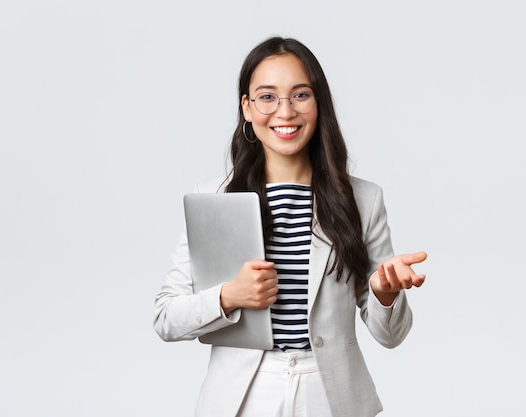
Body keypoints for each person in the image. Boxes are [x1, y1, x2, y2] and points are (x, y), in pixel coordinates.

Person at [154, 36, 427, 417]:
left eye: (300, 95)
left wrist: (384, 294)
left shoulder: (363, 199)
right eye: (267, 97)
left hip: (330, 392)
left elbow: (391, 335)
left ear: (319, 105)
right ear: (246, 108)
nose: (285, 112)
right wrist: (229, 296)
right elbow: (166, 318)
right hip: (244, 396)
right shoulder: (213, 199)